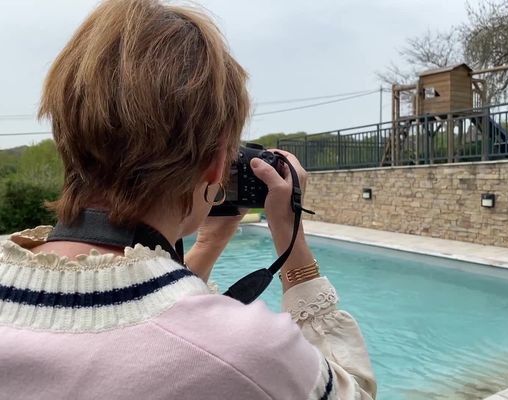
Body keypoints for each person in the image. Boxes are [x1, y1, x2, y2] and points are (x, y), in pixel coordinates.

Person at [0, 1, 376, 399]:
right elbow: (355, 392)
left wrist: (209, 245)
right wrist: (291, 234)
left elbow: (142, 314)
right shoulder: (249, 353)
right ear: (217, 164)